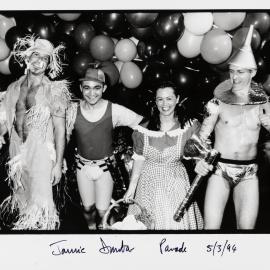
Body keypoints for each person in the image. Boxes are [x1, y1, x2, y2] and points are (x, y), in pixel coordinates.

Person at [195, 25, 270, 230]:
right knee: (210, 231)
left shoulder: (265, 104)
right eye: (231, 71)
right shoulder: (216, 102)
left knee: (246, 232)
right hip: (220, 170)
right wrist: (198, 160)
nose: (234, 78)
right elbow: (200, 138)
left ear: (252, 72)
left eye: (240, 72)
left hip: (249, 173)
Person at [0, 36, 70, 230]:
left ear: (48, 64)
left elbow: (60, 130)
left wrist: (57, 165)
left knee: (41, 207)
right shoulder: (13, 88)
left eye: (45, 58)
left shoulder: (54, 91)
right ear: (27, 58)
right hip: (17, 153)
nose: (39, 62)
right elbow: (7, 121)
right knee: (23, 203)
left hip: (41, 152)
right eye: (35, 56)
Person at [124, 81, 207, 230]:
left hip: (176, 183)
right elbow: (139, 158)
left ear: (177, 99)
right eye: (160, 99)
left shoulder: (188, 126)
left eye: (169, 98)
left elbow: (197, 155)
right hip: (148, 183)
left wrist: (200, 163)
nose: (164, 104)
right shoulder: (144, 128)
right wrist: (131, 188)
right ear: (155, 101)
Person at [67, 67, 143, 229]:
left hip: (105, 169)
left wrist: (136, 151)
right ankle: (91, 231)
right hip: (82, 168)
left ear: (104, 88)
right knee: (87, 209)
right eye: (86, 88)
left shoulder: (114, 110)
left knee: (103, 213)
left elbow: (142, 124)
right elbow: (59, 130)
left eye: (97, 88)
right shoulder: (73, 110)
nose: (91, 93)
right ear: (81, 88)